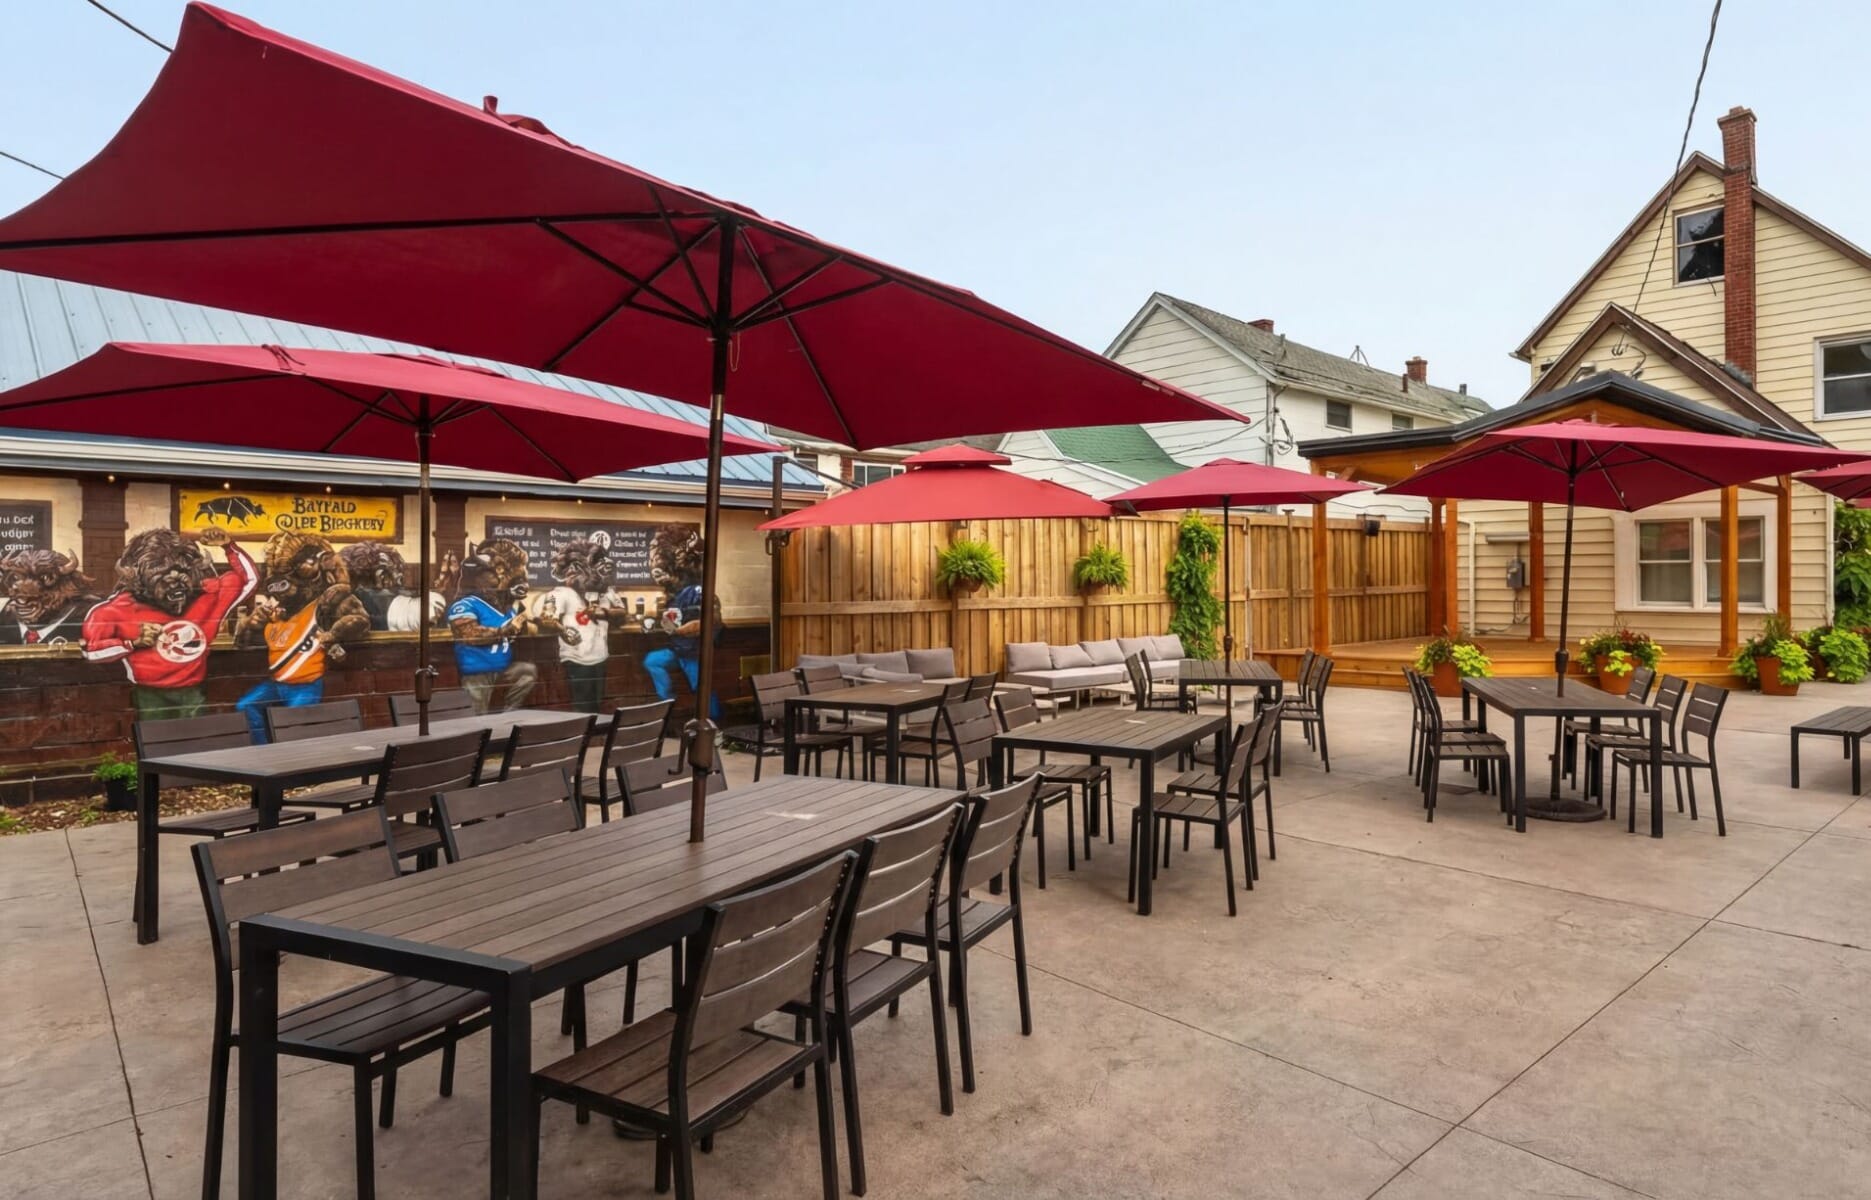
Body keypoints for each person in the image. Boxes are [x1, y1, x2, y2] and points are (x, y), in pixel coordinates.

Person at [81, 527, 257, 721]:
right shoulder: (117, 609)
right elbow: (91, 650)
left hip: (193, 690)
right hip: (149, 693)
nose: (174, 581)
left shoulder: (209, 596)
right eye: (161, 573)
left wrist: (228, 546)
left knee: (196, 742)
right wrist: (132, 643)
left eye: (182, 571)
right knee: (155, 741)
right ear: (140, 579)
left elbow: (249, 579)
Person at [448, 538, 550, 713]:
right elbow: (469, 634)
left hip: (503, 669)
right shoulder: (465, 604)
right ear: (479, 578)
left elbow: (527, 627)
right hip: (477, 671)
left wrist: (541, 623)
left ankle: (507, 716)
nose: (501, 578)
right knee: (476, 717)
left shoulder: (508, 606)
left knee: (527, 671)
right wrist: (506, 630)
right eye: (497, 572)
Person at [528, 536, 627, 713]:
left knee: (597, 704)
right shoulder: (561, 593)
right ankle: (584, 738)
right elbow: (546, 618)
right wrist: (562, 629)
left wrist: (604, 613)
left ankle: (594, 737)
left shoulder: (606, 592)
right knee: (582, 706)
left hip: (601, 656)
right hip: (575, 660)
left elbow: (622, 612)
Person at [641, 523, 722, 720]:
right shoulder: (674, 595)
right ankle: (667, 702)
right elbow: (667, 618)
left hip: (695, 652)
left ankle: (715, 724)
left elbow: (710, 621)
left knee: (701, 688)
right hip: (678, 650)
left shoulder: (699, 591)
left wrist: (678, 631)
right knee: (652, 661)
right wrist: (650, 619)